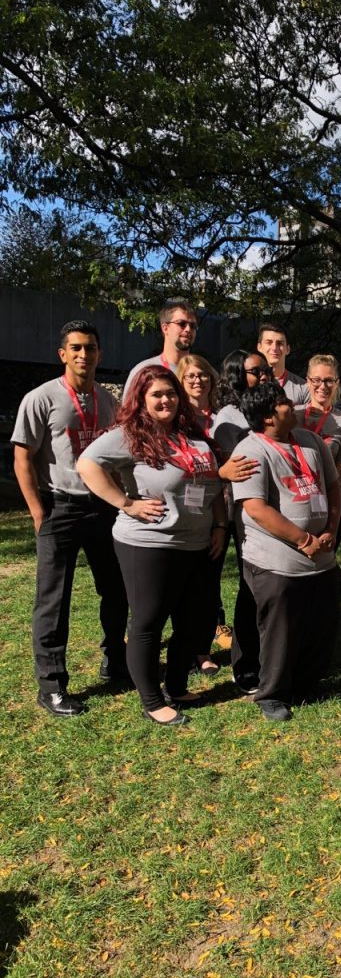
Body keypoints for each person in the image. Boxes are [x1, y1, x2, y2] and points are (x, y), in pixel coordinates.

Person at [77, 366, 227, 726]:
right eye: (157, 394)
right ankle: (152, 700)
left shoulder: (191, 436)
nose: (166, 400)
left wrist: (220, 523)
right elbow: (87, 464)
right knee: (148, 622)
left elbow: (211, 483)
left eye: (171, 393)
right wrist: (127, 503)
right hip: (148, 544)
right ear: (141, 399)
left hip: (197, 543)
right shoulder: (130, 435)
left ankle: (176, 685)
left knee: (192, 621)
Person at [12, 320, 129, 717]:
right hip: (59, 506)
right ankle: (51, 686)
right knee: (53, 599)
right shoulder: (41, 398)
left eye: (90, 348)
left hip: (102, 508)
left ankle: (115, 660)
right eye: (76, 348)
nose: (84, 355)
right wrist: (37, 511)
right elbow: (22, 457)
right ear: (62, 354)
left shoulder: (108, 401)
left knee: (116, 589)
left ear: (99, 354)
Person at [231, 382, 341, 722]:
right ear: (267, 416)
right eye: (282, 403)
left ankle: (307, 683)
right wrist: (304, 540)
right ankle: (272, 694)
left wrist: (329, 532)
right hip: (277, 561)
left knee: (321, 624)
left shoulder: (309, 441)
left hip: (322, 557)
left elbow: (334, 488)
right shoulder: (250, 450)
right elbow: (256, 508)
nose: (291, 407)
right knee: (280, 630)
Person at [212, 350, 270, 694]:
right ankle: (245, 663)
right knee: (250, 588)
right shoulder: (229, 416)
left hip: (275, 511)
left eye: (265, 370)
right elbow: (240, 466)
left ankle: (269, 656)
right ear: (236, 375)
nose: (263, 375)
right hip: (244, 512)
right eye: (254, 371)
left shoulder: (268, 406)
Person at [176, 353, 227, 672]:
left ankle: (202, 650)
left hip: (218, 509)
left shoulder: (225, 418)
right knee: (182, 585)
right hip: (183, 512)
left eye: (203, 374)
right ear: (181, 382)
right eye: (190, 376)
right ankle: (183, 648)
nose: (198, 380)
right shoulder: (174, 418)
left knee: (209, 585)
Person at [295, 354, 341, 549]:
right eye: (317, 380)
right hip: (295, 503)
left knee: (325, 564)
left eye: (329, 380)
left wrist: (317, 490)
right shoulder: (292, 415)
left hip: (331, 505)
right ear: (307, 381)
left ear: (337, 383)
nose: (323, 386)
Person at [123, 298, 198, 396]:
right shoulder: (143, 371)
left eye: (193, 326)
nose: (188, 329)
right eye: (181, 324)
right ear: (165, 328)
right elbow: (128, 410)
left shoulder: (203, 374)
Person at [257, 323, 310, 405]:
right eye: (269, 342)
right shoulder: (251, 384)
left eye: (280, 343)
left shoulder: (303, 387)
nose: (274, 348)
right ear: (259, 347)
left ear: (288, 349)